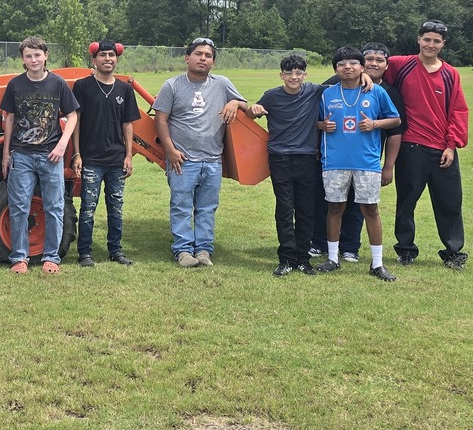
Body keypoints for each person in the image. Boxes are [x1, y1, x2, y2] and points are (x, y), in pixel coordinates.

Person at [153, 38, 247, 267]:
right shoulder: (172, 85)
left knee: (207, 208)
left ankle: (204, 250)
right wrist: (170, 150)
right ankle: (183, 251)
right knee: (181, 205)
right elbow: (161, 119)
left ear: (213, 62)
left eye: (208, 55)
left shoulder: (222, 84)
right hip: (182, 160)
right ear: (187, 58)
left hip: (213, 160)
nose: (202, 58)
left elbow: (246, 106)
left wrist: (234, 103)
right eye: (198, 54)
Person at [310, 42, 405, 263]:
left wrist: (374, 124)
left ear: (362, 68)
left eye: (354, 63)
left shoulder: (377, 91)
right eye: (342, 64)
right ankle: (332, 258)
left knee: (370, 210)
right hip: (333, 161)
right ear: (335, 69)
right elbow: (313, 121)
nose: (348, 67)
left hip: (367, 163)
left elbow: (396, 120)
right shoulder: (326, 94)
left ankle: (377, 262)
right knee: (334, 208)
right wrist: (321, 126)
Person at [385, 20, 469, 269]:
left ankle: (453, 252)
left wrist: (451, 145)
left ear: (443, 44)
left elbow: (458, 111)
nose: (431, 44)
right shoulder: (400, 65)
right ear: (419, 39)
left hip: (443, 149)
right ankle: (406, 250)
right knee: (407, 200)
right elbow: (371, 70)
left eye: (436, 41)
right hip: (410, 146)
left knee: (450, 202)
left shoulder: (450, 73)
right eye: (427, 39)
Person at [1, 37, 80, 274]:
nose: (33, 60)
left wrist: (62, 145)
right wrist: (6, 154)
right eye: (28, 56)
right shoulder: (15, 85)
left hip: (50, 155)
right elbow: (10, 119)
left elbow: (73, 115)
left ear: (45, 55)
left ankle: (51, 257)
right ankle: (19, 257)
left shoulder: (57, 84)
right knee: (18, 207)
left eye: (37, 55)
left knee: (54, 207)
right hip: (21, 155)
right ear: (23, 59)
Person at [248, 55, 323, 277]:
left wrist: (365, 76)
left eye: (299, 72)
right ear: (281, 75)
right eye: (289, 73)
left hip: (307, 157)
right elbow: (251, 114)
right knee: (284, 208)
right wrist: (253, 109)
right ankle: (286, 258)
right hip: (280, 158)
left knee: (306, 210)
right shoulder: (272, 96)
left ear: (305, 75)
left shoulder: (314, 91)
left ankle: (303, 258)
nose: (294, 76)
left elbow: (342, 79)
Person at [71, 39, 140, 267]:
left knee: (116, 208)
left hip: (116, 160)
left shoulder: (124, 89)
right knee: (88, 208)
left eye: (111, 55)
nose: (107, 59)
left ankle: (116, 250)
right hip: (91, 159)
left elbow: (128, 124)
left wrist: (128, 155)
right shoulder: (82, 87)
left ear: (116, 59)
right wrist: (77, 154)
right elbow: (76, 122)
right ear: (94, 60)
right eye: (103, 55)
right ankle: (84, 253)